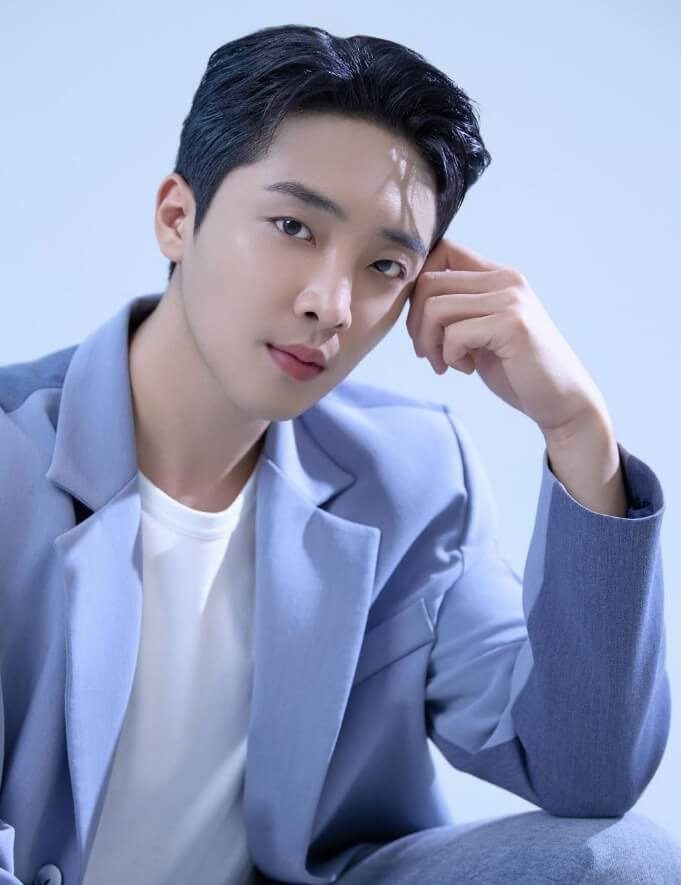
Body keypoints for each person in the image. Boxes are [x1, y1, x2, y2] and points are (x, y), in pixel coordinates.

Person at [1, 22, 679, 885]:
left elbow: (587, 773)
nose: (331, 303)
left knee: (623, 860)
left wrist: (578, 431)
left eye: (384, 266)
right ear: (177, 217)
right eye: (292, 225)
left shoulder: (411, 476)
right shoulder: (14, 455)